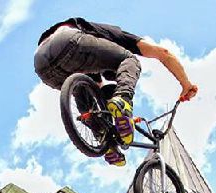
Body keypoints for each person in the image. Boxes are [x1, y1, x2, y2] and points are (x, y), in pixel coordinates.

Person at [34, 17, 199, 166]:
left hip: (43, 66)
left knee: (86, 91)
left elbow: (97, 93)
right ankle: (123, 100)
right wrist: (185, 84)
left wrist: (110, 120)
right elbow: (163, 53)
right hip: (67, 40)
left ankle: (105, 141)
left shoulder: (91, 64)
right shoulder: (115, 35)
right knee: (129, 60)